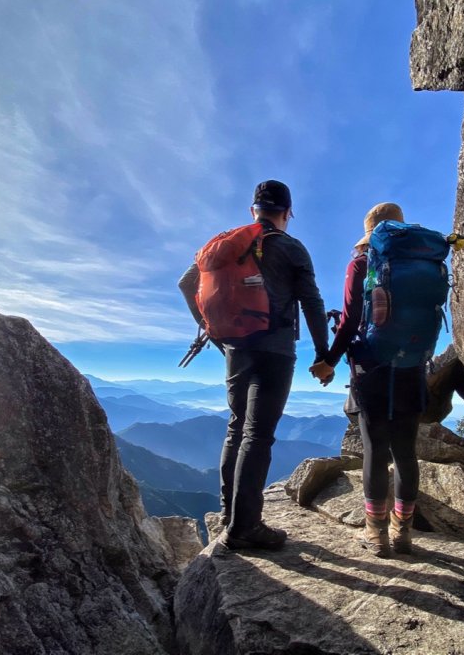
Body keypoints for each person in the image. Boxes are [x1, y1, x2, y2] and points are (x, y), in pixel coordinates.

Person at [179, 180, 330, 550]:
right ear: (287, 212)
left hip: (235, 349)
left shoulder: (226, 246)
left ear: (253, 211)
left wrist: (214, 334)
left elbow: (186, 284)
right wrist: (324, 355)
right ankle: (245, 527)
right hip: (274, 351)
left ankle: (231, 515)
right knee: (257, 435)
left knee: (236, 429)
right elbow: (311, 302)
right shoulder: (291, 247)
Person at [310, 202, 424, 557]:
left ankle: (376, 535)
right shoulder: (422, 262)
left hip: (372, 368)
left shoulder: (362, 263)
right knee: (406, 452)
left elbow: (347, 322)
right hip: (413, 365)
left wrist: (327, 362)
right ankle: (402, 534)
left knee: (375, 450)